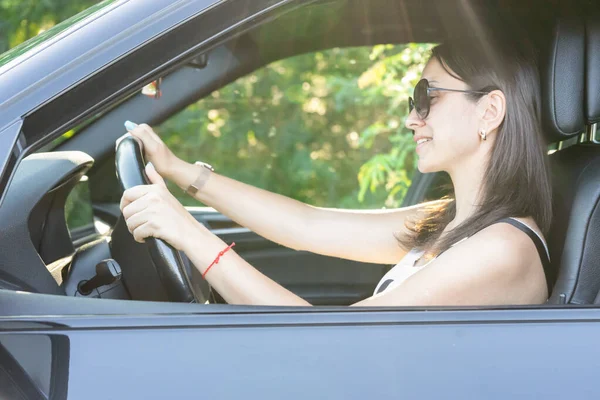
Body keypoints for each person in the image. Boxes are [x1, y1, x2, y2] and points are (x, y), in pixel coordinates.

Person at [119, 35, 552, 306]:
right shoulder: (454, 221)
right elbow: (309, 224)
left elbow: (333, 344)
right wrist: (180, 172)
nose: (410, 119)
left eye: (428, 96)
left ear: (490, 111)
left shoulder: (503, 249)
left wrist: (188, 233)